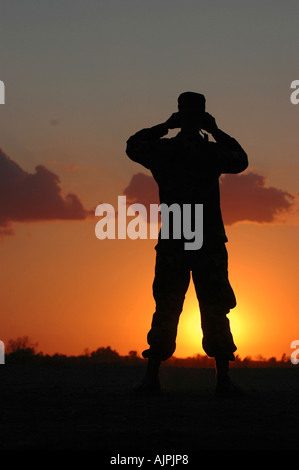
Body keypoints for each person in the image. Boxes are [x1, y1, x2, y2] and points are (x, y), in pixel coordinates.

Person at [126, 92, 248, 397]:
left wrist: (163, 127)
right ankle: (223, 382)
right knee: (215, 307)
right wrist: (217, 131)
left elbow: (132, 146)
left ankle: (151, 379)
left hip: (176, 237)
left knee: (167, 306)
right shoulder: (211, 152)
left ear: (179, 114)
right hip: (207, 239)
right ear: (203, 115)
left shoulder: (165, 150)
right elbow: (240, 159)